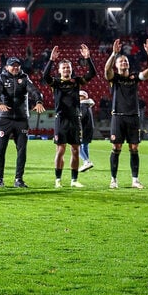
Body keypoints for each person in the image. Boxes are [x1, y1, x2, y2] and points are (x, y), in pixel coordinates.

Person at [104, 37, 148, 189]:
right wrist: (114, 54)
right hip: (118, 117)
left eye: (125, 61)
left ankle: (135, 180)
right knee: (116, 148)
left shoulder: (134, 77)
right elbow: (107, 70)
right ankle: (113, 179)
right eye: (121, 62)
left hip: (133, 117)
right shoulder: (115, 78)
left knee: (134, 148)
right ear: (117, 65)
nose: (124, 63)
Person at [43, 44, 97, 188]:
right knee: (60, 150)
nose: (67, 69)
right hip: (61, 119)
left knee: (75, 150)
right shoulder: (56, 82)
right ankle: (58, 180)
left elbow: (92, 74)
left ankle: (74, 180)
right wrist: (51, 60)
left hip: (75, 119)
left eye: (68, 67)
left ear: (71, 69)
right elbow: (45, 76)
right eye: (64, 67)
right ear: (60, 70)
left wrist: (88, 58)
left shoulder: (76, 81)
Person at [0, 55, 45, 188]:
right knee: (0, 150)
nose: (15, 67)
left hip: (21, 119)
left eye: (17, 65)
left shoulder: (25, 78)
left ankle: (18, 179)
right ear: (7, 67)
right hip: (5, 119)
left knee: (22, 150)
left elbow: (35, 91)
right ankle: (0, 179)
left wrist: (38, 101)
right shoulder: (1, 78)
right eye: (12, 65)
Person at [78, 90, 96, 172]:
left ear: (84, 97)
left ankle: (86, 162)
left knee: (76, 146)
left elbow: (81, 117)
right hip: (89, 128)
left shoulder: (82, 105)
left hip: (83, 128)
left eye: (80, 96)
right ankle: (86, 164)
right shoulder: (88, 105)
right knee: (85, 146)